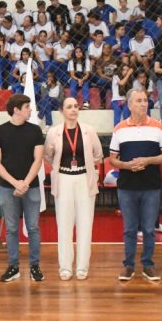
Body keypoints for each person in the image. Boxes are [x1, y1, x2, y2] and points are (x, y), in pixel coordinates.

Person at [109, 89, 162, 283]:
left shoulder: (158, 127)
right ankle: (128, 266)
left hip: (151, 186)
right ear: (129, 105)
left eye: (145, 100)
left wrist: (148, 160)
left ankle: (148, 264)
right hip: (127, 187)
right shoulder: (119, 129)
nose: (144, 104)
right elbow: (112, 159)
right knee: (129, 229)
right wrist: (127, 165)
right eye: (138, 101)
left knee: (149, 229)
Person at [44, 97, 103, 281]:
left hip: (84, 178)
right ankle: (65, 267)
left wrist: (88, 166)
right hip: (63, 178)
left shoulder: (88, 130)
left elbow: (98, 154)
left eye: (76, 106)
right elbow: (48, 156)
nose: (73, 109)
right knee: (64, 225)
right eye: (69, 107)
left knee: (85, 224)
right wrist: (55, 156)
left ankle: (82, 267)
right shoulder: (53, 132)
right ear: (61, 111)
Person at [0, 94, 46, 283]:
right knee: (12, 228)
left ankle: (34, 266)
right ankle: (13, 266)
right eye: (27, 107)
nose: (30, 110)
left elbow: (38, 159)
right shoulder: (0, 131)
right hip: (8, 188)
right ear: (16, 109)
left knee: (33, 227)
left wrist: (25, 183)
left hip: (31, 187)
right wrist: (16, 183)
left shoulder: (35, 130)